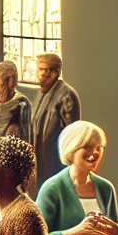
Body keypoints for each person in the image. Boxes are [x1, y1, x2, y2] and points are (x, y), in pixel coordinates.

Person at [29, 53, 81, 191]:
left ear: (54, 72)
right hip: (38, 160)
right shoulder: (42, 93)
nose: (38, 74)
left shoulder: (66, 96)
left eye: (42, 69)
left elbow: (71, 135)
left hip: (54, 162)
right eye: (38, 69)